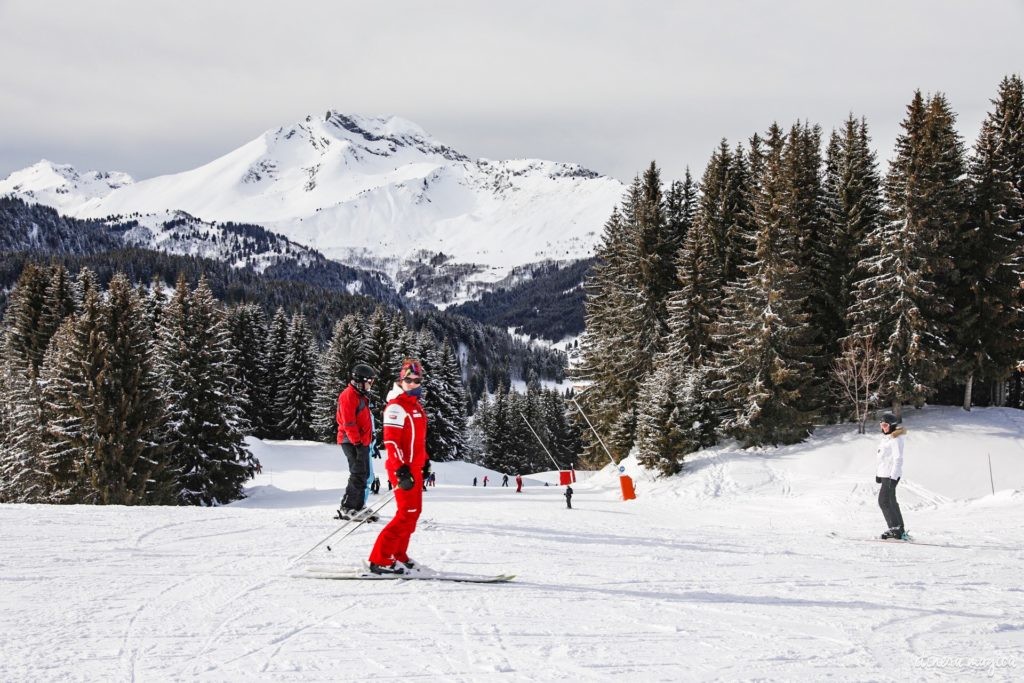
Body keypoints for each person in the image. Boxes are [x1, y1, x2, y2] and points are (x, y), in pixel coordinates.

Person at [368, 359, 431, 574]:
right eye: (408, 380)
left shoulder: (416, 407)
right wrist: (400, 469)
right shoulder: (395, 407)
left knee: (413, 513)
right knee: (406, 513)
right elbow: (392, 441)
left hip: (414, 467)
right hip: (402, 468)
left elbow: (417, 440)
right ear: (401, 380)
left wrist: (425, 461)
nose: (413, 384)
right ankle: (380, 559)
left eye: (417, 380)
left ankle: (398, 554)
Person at [336, 363, 378, 521]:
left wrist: (369, 439)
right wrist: (358, 443)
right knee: (357, 473)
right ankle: (347, 507)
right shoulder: (348, 395)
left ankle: (358, 506)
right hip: (351, 441)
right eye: (369, 381)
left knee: (365, 474)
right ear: (360, 381)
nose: (370, 385)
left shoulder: (360, 395)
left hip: (362, 442)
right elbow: (348, 423)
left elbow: (364, 420)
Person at [876, 412, 907, 539]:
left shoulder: (895, 440)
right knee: (891, 501)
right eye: (881, 425)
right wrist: (878, 474)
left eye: (885, 425)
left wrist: (893, 478)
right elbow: (883, 459)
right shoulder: (887, 439)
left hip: (890, 476)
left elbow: (898, 460)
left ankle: (894, 529)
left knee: (883, 501)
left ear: (892, 426)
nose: (883, 428)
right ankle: (899, 529)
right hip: (885, 475)